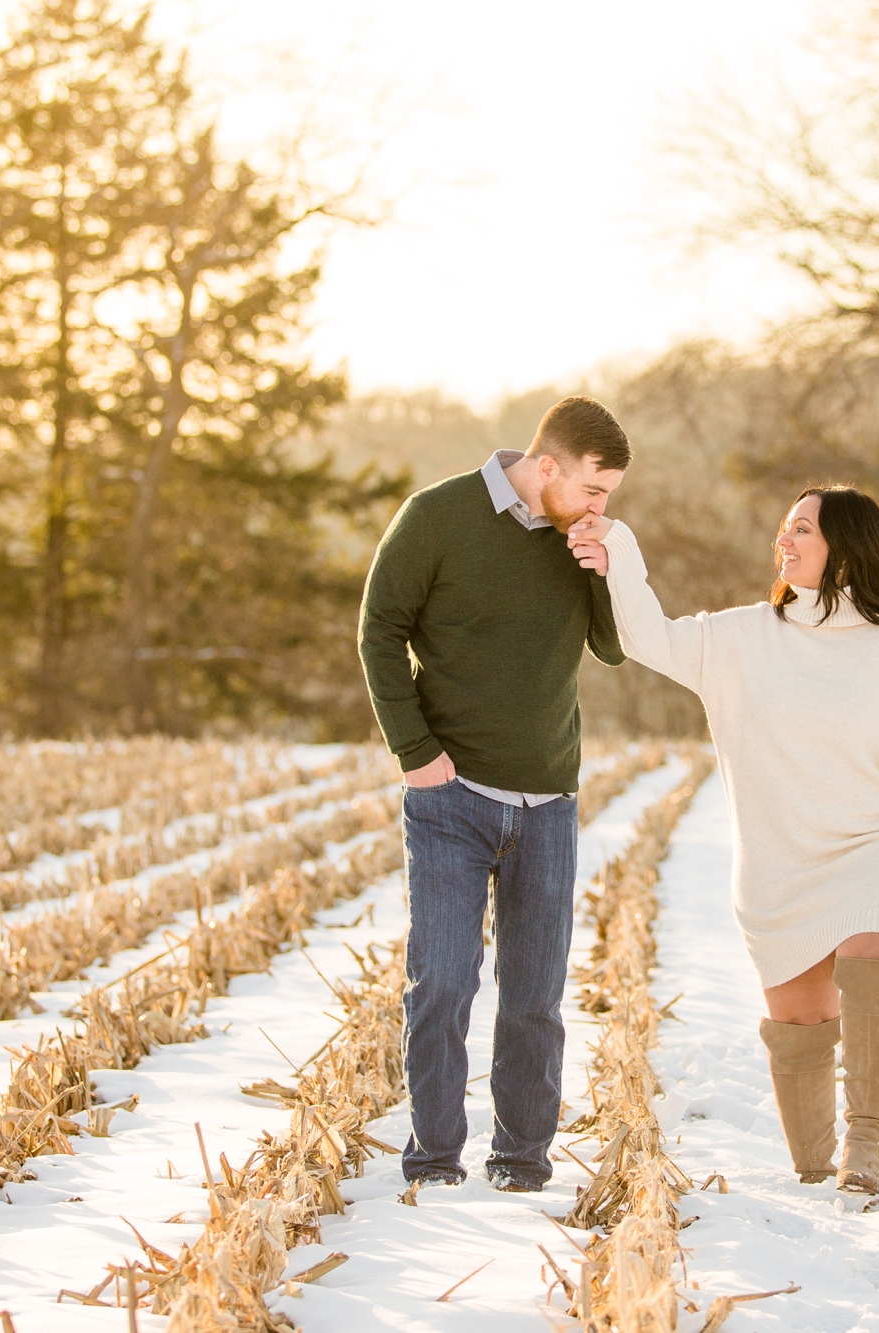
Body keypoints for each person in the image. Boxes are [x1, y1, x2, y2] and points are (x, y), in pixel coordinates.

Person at [565, 486, 879, 1194]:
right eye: (785, 528)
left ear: (844, 547)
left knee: (873, 952)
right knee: (801, 1015)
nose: (784, 540)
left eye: (801, 529)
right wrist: (618, 551)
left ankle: (866, 1140)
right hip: (780, 865)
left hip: (877, 850)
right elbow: (646, 636)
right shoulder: (740, 637)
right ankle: (816, 1168)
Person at [358, 396, 631, 1192]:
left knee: (535, 1000)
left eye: (608, 496)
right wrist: (417, 752)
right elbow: (380, 628)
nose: (600, 508)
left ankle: (520, 1163)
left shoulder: (581, 539)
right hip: (452, 799)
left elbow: (610, 649)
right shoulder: (437, 516)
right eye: (592, 489)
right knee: (442, 982)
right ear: (547, 466)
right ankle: (435, 1160)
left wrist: (604, 568)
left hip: (548, 801)